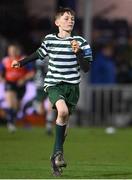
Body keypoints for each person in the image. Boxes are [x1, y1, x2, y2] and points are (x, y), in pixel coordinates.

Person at [11, 7, 92, 176]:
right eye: (66, 18)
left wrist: (78, 53)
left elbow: (86, 68)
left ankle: (55, 155)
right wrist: (22, 62)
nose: (70, 21)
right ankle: (58, 154)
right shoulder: (49, 40)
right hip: (54, 84)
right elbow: (39, 54)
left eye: (72, 19)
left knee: (64, 123)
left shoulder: (81, 42)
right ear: (57, 22)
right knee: (61, 112)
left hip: (72, 87)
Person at [1, 43, 35, 132]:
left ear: (17, 50)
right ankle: (11, 123)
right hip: (10, 83)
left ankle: (11, 120)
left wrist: (23, 79)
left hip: (20, 85)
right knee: (11, 103)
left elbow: (31, 72)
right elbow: (1, 72)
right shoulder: (5, 60)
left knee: (17, 106)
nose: (12, 52)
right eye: (10, 50)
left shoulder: (23, 59)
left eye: (13, 50)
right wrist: (2, 79)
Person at [33, 58, 56, 135]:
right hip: (40, 85)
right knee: (40, 111)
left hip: (52, 84)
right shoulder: (41, 56)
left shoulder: (57, 54)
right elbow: (41, 71)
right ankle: (33, 102)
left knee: (52, 105)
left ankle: (49, 127)